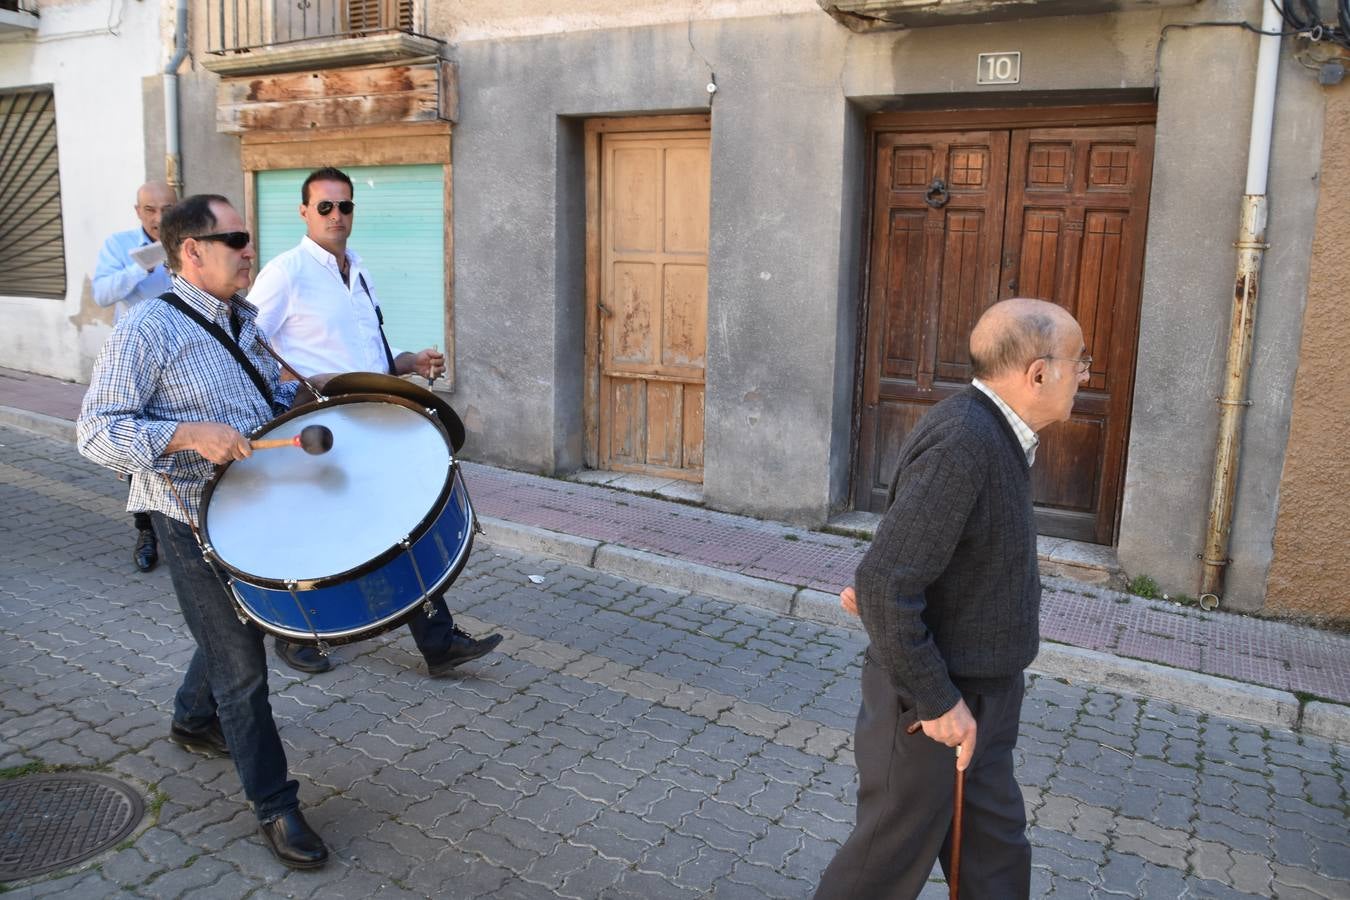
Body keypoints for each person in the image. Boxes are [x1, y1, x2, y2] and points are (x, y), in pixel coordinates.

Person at [79, 195, 329, 870]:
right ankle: (276, 805)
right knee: (242, 670)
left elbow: (257, 401)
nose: (250, 249)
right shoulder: (145, 331)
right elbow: (96, 432)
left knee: (239, 628)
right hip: (189, 517)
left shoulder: (241, 318)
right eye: (237, 238)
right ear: (191, 251)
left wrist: (299, 403)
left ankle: (193, 719)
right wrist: (187, 435)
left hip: (253, 509)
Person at [815, 298, 1090, 900]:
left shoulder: (993, 430)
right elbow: (887, 582)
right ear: (1038, 373)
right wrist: (938, 702)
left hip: (985, 701)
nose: (1085, 375)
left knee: (995, 865)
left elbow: (917, 562)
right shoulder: (967, 440)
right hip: (932, 710)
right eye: (1079, 361)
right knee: (879, 872)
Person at [249, 166, 503, 677]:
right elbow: (246, 346)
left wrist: (409, 363)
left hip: (367, 420)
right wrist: (303, 381)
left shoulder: (359, 270)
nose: (337, 216)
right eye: (325, 206)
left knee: (395, 524)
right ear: (303, 212)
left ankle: (438, 642)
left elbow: (371, 353)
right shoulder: (286, 272)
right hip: (318, 426)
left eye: (345, 206)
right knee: (315, 532)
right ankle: (291, 633)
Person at [92, 181, 178, 572]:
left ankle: (187, 527)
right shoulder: (119, 244)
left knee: (178, 441)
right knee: (136, 444)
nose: (158, 218)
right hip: (135, 361)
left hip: (180, 356)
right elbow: (102, 294)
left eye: (166, 209)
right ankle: (145, 529)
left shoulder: (187, 240)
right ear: (138, 211)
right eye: (150, 210)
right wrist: (140, 266)